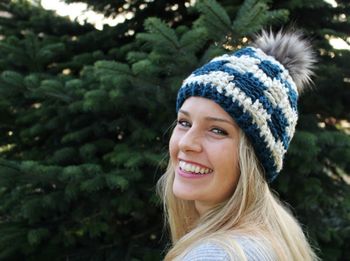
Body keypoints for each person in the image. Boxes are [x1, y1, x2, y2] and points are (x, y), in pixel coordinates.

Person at [157, 29, 319, 260]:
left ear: (253, 156)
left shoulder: (218, 255)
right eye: (184, 122)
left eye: (217, 130)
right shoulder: (274, 237)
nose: (186, 143)